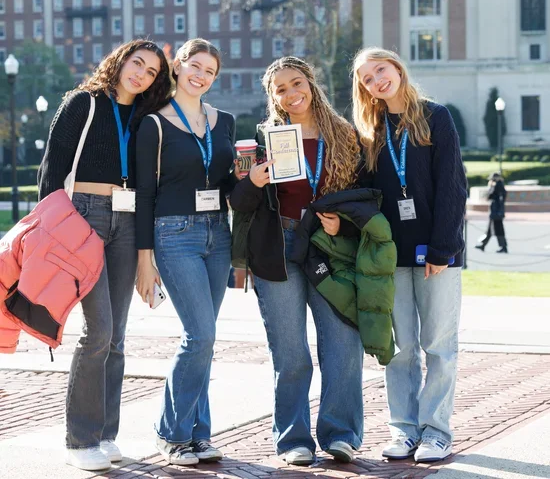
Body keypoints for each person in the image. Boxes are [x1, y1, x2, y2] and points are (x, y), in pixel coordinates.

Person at [38, 40, 171, 471]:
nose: (142, 74)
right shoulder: (83, 102)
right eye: (138, 63)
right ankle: (79, 440)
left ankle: (105, 434)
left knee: (116, 336)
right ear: (120, 60)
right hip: (85, 217)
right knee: (98, 331)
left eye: (152, 71)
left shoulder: (147, 118)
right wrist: (49, 232)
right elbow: (52, 168)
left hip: (128, 221)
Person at [230, 56, 365, 466]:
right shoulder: (262, 140)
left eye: (296, 83)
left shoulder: (344, 135)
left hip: (331, 247)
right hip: (279, 248)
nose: (291, 94)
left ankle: (340, 433)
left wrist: (343, 226)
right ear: (272, 98)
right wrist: (253, 181)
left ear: (311, 82)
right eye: (280, 90)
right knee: (290, 352)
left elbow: (364, 197)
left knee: (342, 344)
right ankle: (293, 439)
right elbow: (237, 203)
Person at [352, 47, 467, 463]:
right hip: (390, 258)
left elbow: (453, 185)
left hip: (437, 253)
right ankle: (403, 430)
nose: (376, 80)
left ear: (396, 67)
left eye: (380, 70)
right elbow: (364, 193)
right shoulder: (370, 129)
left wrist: (443, 248)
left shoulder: (436, 117)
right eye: (367, 78)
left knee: (438, 345)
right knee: (400, 349)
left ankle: (436, 432)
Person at [135, 39, 236, 466]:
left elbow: (230, 183)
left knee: (204, 341)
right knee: (201, 336)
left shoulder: (225, 121)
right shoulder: (153, 124)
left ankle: (199, 434)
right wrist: (144, 259)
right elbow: (144, 196)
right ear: (177, 67)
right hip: (173, 234)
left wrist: (256, 183)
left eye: (209, 71)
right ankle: (172, 434)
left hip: (219, 235)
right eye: (194, 66)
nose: (200, 75)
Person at [475, 172, 508, 253]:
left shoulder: (497, 185)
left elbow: (489, 196)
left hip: (496, 212)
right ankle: (483, 245)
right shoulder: (500, 185)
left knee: (498, 230)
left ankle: (503, 247)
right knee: (491, 230)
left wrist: (490, 186)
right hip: (497, 212)